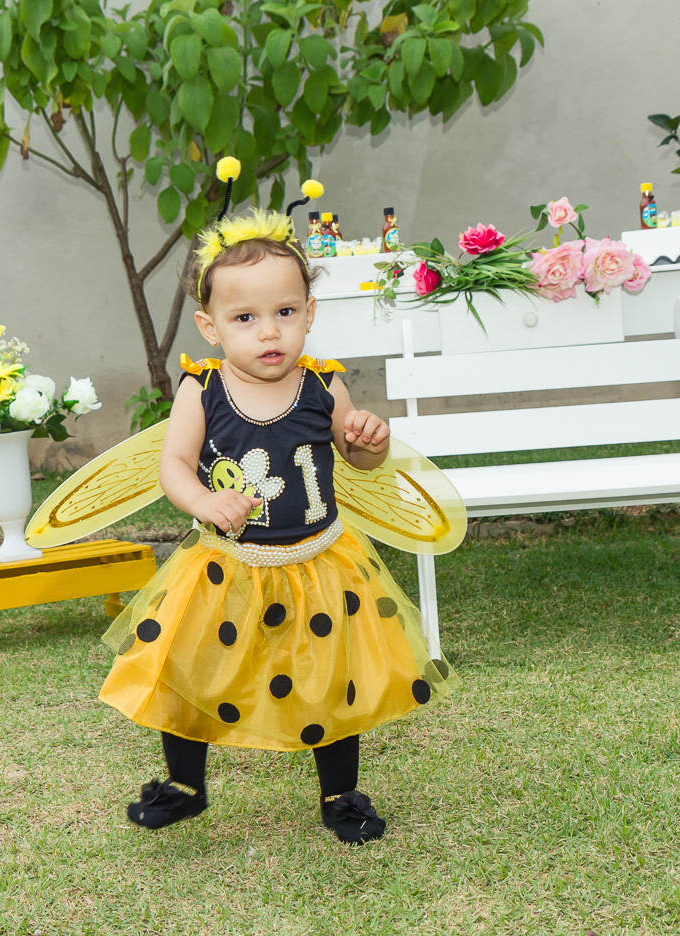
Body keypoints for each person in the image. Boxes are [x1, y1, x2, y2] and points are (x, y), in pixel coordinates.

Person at [98, 168, 457, 845]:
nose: (270, 332)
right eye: (245, 318)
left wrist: (369, 442)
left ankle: (340, 794)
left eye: (285, 312)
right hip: (226, 565)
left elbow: (356, 459)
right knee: (189, 667)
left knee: (332, 680)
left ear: (309, 313)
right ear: (210, 327)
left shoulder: (324, 386)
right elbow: (173, 464)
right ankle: (185, 784)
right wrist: (204, 499)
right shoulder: (201, 390)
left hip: (320, 562)